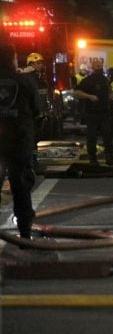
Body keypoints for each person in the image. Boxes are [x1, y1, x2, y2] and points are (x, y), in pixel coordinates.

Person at [0, 43, 42, 240]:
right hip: (18, 139)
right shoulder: (23, 81)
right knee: (20, 185)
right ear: (12, 58)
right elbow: (37, 109)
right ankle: (25, 232)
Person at [73, 58, 113, 166]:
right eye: (97, 66)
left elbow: (109, 91)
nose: (99, 68)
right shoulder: (88, 80)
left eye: (100, 66)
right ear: (92, 67)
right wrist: (89, 96)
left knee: (108, 136)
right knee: (92, 137)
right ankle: (93, 159)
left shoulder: (105, 79)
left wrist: (111, 96)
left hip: (105, 113)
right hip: (92, 113)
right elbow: (76, 92)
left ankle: (109, 157)